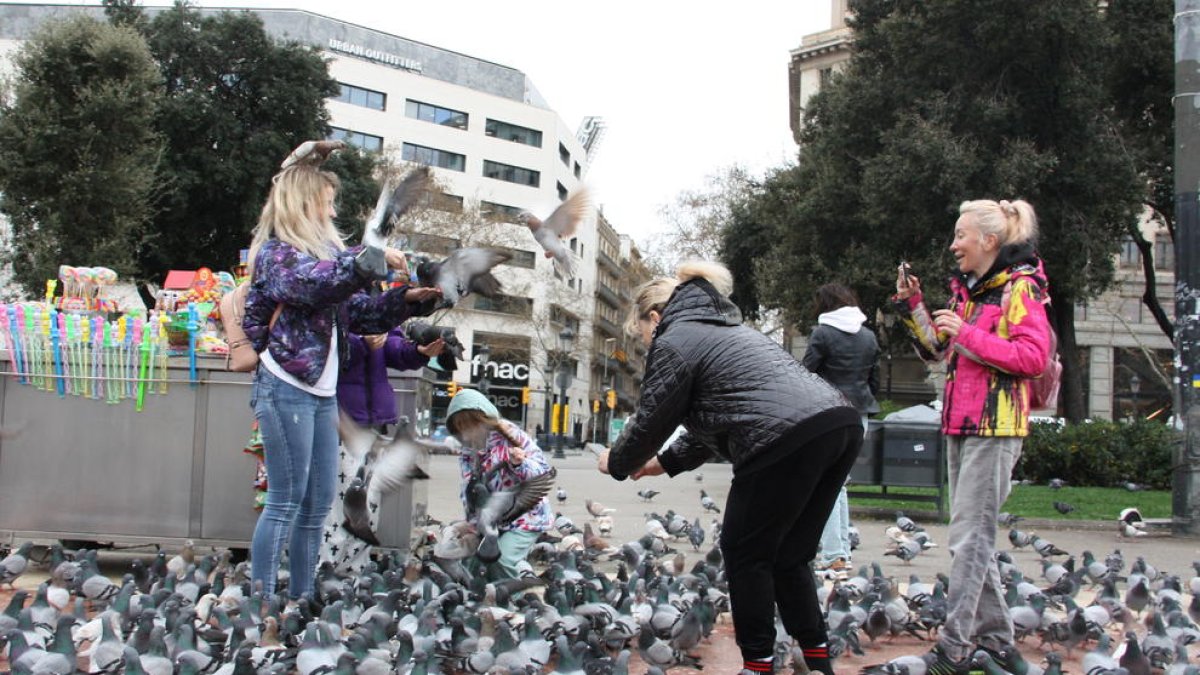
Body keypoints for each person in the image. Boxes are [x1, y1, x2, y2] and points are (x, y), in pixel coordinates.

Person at [597, 260, 863, 675]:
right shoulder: (726, 330)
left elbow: (652, 419)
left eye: (643, 337)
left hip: (782, 439)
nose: (647, 345)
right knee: (790, 557)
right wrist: (660, 465)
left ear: (654, 317)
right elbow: (718, 419)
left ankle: (757, 665)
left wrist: (616, 461)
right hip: (838, 426)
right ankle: (816, 659)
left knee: (744, 553)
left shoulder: (676, 337)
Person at [243, 157, 440, 600]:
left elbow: (359, 313)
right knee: (284, 503)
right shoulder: (278, 255)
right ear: (304, 203)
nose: (333, 213)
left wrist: (408, 300)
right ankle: (260, 606)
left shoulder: (329, 258)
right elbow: (312, 286)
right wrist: (365, 261)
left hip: (322, 394)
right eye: (327, 203)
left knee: (315, 508)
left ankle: (300, 598)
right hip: (286, 387)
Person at [893, 199, 1052, 674]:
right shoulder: (969, 291)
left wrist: (967, 333)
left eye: (961, 235)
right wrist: (913, 303)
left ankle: (954, 648)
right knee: (971, 540)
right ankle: (1000, 644)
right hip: (962, 424)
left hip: (998, 426)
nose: (953, 245)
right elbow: (934, 350)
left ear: (989, 241)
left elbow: (1033, 358)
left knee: (969, 541)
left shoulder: (1021, 289)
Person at [319, 327, 445, 574]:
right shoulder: (335, 296)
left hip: (372, 422)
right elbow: (326, 350)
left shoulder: (377, 294)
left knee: (368, 502)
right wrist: (362, 343)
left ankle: (356, 569)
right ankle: (327, 570)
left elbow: (392, 344)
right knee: (337, 505)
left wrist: (416, 351)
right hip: (340, 417)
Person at [802, 283, 880, 579]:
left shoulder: (822, 333)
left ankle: (834, 554)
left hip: (827, 412)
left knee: (827, 485)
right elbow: (874, 380)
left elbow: (805, 374)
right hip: (859, 414)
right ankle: (841, 551)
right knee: (840, 483)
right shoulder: (868, 336)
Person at [447, 388, 552, 579]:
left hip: (526, 517)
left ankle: (515, 602)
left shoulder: (511, 436)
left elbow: (542, 471)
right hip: (492, 520)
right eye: (460, 427)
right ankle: (478, 601)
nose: (466, 432)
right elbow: (468, 490)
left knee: (502, 560)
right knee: (473, 559)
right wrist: (472, 522)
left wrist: (519, 464)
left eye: (470, 424)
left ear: (483, 420)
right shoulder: (467, 451)